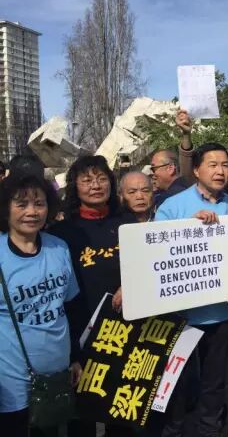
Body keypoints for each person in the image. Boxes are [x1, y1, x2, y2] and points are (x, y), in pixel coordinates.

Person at [155, 142, 228, 437]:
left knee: (214, 380)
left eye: (225, 165)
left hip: (220, 312)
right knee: (177, 381)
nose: (221, 171)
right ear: (196, 170)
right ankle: (174, 431)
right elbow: (158, 257)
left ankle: (210, 429)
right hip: (180, 315)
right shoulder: (172, 207)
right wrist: (191, 228)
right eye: (213, 164)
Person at [49, 155, 135, 437]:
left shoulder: (128, 224)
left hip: (123, 330)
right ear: (75, 186)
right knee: (83, 415)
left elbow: (148, 267)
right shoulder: (61, 233)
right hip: (81, 333)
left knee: (121, 412)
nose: (95, 186)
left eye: (101, 179)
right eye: (87, 180)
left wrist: (133, 285)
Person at [0, 173, 83, 437]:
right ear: (6, 208)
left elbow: (70, 307)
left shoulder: (59, 248)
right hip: (12, 384)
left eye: (39, 203)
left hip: (57, 378)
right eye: (21, 204)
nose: (32, 212)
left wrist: (75, 358)